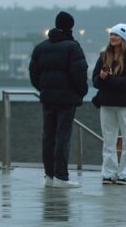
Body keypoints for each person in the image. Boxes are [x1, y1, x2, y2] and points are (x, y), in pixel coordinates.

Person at [28, 10, 89, 188]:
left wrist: (44, 89)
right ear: (71, 26)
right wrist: (81, 92)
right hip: (67, 99)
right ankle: (61, 176)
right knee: (63, 136)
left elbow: (34, 75)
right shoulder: (73, 47)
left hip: (48, 98)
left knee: (48, 136)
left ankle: (49, 175)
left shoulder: (40, 48)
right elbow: (79, 74)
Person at [93, 22, 126, 185]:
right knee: (108, 140)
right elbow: (95, 82)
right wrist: (102, 78)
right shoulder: (103, 55)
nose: (113, 38)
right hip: (107, 104)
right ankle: (109, 173)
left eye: (117, 35)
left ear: (124, 38)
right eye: (112, 35)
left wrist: (110, 80)